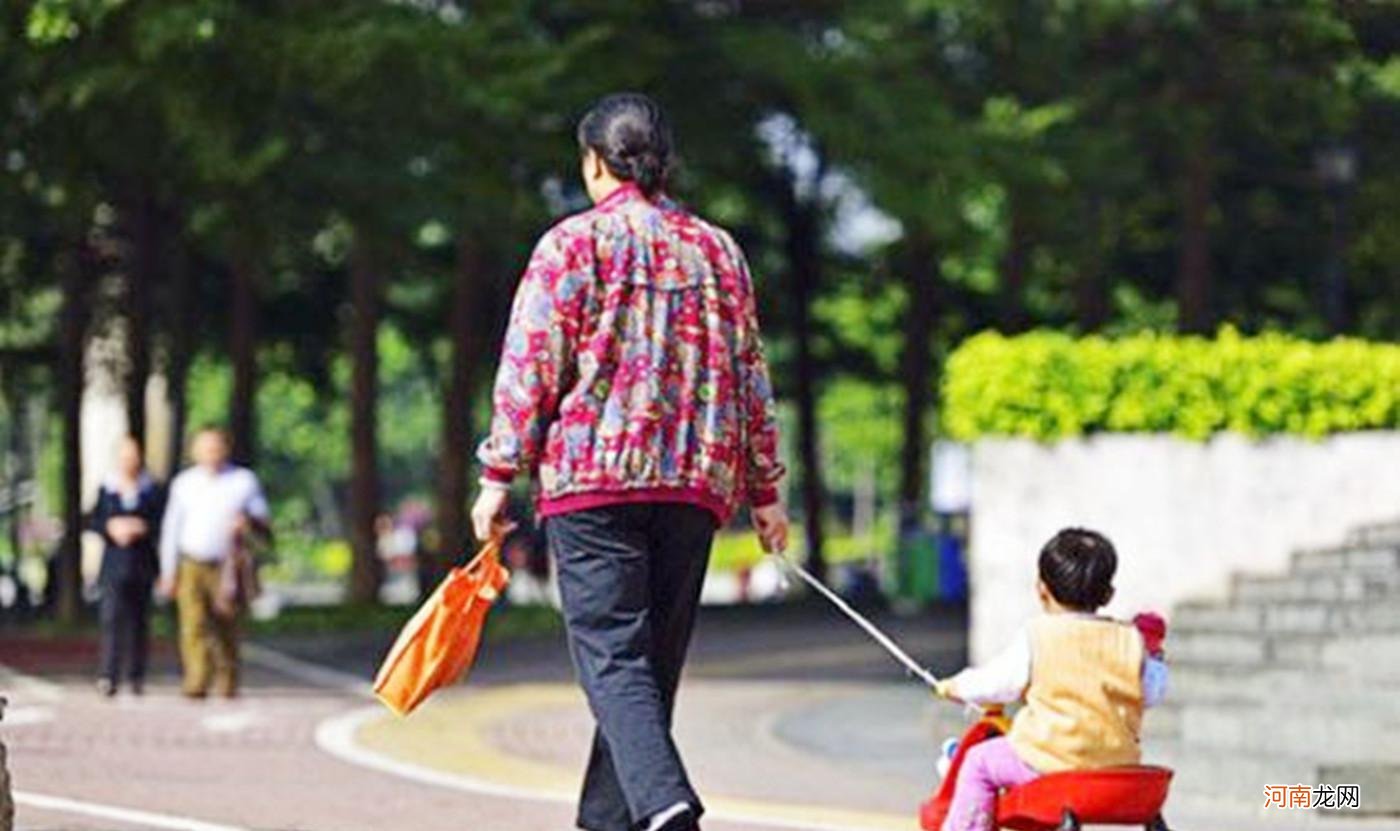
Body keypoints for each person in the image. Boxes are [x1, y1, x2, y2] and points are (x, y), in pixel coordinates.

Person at [471, 92, 789, 831]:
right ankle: (610, 820)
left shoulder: (571, 246)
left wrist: (498, 475)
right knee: (649, 669)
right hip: (692, 484)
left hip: (593, 481)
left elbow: (530, 364)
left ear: (594, 162)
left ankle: (666, 804)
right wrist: (765, 489)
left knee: (614, 659)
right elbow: (750, 376)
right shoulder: (718, 250)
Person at [934, 528, 1170, 831]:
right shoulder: (1130, 640)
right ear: (1108, 594)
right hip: (1115, 767)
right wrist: (1154, 659)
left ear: (1041, 589)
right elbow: (1153, 691)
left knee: (978, 762)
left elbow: (999, 683)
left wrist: (956, 686)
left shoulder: (1039, 636)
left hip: (1049, 762)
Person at [158, 426, 270, 699]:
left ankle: (228, 678)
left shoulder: (243, 481)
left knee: (226, 625)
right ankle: (196, 680)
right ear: (194, 451)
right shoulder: (184, 483)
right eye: (205, 447)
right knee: (193, 624)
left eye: (215, 446)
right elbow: (171, 528)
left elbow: (262, 518)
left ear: (225, 448)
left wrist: (246, 522)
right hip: (192, 562)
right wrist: (168, 571)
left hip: (227, 565)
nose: (211, 452)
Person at [90, 436, 164, 697]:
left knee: (139, 622)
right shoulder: (107, 488)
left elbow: (162, 523)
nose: (129, 461)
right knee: (111, 619)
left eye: (133, 456)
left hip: (142, 564)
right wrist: (111, 528)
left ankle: (136, 676)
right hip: (113, 565)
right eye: (124, 456)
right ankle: (109, 675)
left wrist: (142, 527)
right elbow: (94, 520)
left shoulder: (151, 489)